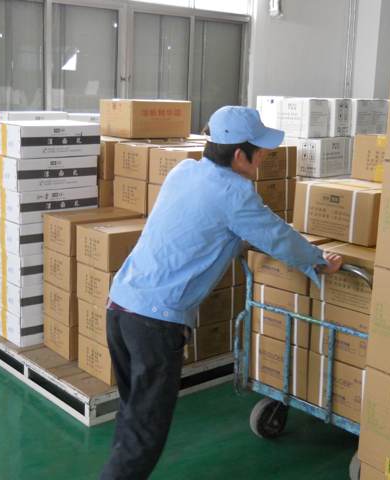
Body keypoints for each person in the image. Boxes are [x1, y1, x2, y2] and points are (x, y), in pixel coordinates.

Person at [100, 106, 343, 480]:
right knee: (144, 435)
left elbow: (202, 224)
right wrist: (319, 262)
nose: (264, 158)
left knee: (134, 413)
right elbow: (277, 236)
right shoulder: (234, 194)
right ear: (240, 155)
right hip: (155, 322)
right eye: (260, 151)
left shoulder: (184, 172)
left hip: (120, 305)